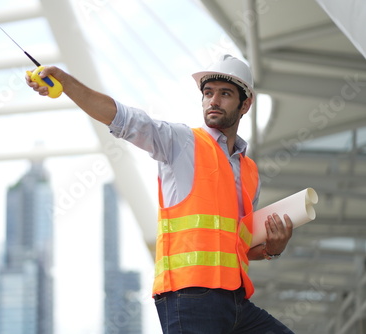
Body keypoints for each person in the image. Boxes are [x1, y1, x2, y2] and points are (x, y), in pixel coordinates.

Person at [26, 54, 295, 334]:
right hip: (189, 296)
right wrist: (67, 83)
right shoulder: (180, 142)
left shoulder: (249, 171)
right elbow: (124, 118)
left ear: (245, 104)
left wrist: (271, 250)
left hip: (236, 300)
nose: (213, 101)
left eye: (225, 94)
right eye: (208, 93)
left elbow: (237, 246)